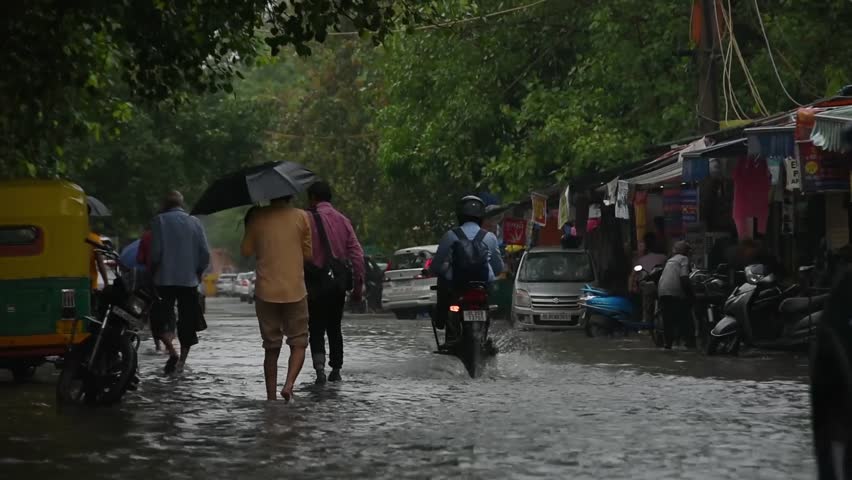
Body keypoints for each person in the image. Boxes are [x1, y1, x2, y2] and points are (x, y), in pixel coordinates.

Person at [241, 198, 312, 401]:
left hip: (266, 291)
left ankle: (271, 397)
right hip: (295, 290)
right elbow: (308, 255)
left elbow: (246, 251)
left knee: (271, 346)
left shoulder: (257, 217)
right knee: (299, 342)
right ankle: (289, 385)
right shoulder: (301, 217)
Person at [304, 181, 364, 384]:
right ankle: (336, 369)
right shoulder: (343, 221)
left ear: (313, 198)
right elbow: (357, 255)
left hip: (314, 282)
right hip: (337, 284)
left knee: (316, 326)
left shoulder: (306, 220)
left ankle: (319, 368)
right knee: (334, 327)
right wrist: (358, 287)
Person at [428, 195, 503, 346]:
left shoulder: (450, 236)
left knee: (443, 282)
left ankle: (441, 321)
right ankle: (486, 335)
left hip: (457, 287)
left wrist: (435, 271)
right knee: (488, 302)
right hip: (482, 287)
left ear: (459, 215)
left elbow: (437, 265)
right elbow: (498, 268)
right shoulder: (490, 237)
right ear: (481, 216)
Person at [150, 191, 210, 374]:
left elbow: (156, 253)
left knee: (160, 318)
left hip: (164, 279)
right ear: (181, 204)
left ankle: (172, 351)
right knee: (188, 322)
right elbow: (205, 253)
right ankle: (182, 362)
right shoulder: (195, 222)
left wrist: (152, 272)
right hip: (189, 280)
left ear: (164, 204)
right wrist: (198, 272)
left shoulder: (159, 221)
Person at [657, 241, 695, 349]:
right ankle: (689, 342)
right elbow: (684, 278)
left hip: (662, 291)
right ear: (686, 251)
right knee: (685, 316)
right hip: (674, 291)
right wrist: (690, 295)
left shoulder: (670, 260)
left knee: (667, 318)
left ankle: (667, 343)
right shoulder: (684, 259)